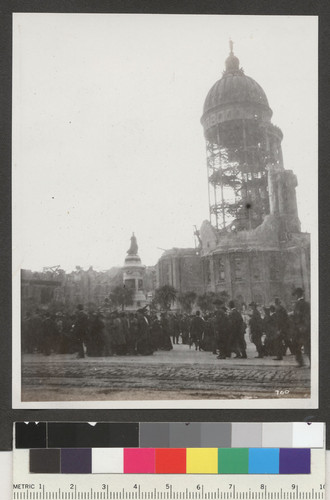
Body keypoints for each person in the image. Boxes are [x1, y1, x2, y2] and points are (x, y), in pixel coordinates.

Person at [292, 287, 310, 367]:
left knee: (307, 346)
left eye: (295, 294)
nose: (295, 296)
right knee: (296, 345)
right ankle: (300, 362)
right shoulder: (298, 304)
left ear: (298, 294)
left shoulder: (304, 304)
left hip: (302, 329)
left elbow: (306, 316)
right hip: (298, 328)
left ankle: (312, 362)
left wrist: (304, 326)